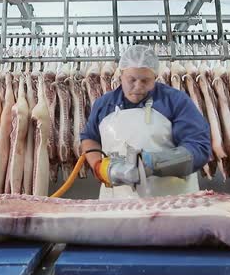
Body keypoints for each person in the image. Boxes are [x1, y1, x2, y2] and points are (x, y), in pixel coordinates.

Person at [80, 45, 212, 200]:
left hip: (171, 203)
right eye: (132, 80)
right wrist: (102, 168)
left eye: (145, 80)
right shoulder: (103, 105)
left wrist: (152, 163)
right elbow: (89, 139)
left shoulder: (175, 101)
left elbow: (199, 147)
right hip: (115, 204)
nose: (138, 86)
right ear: (121, 75)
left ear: (155, 77)